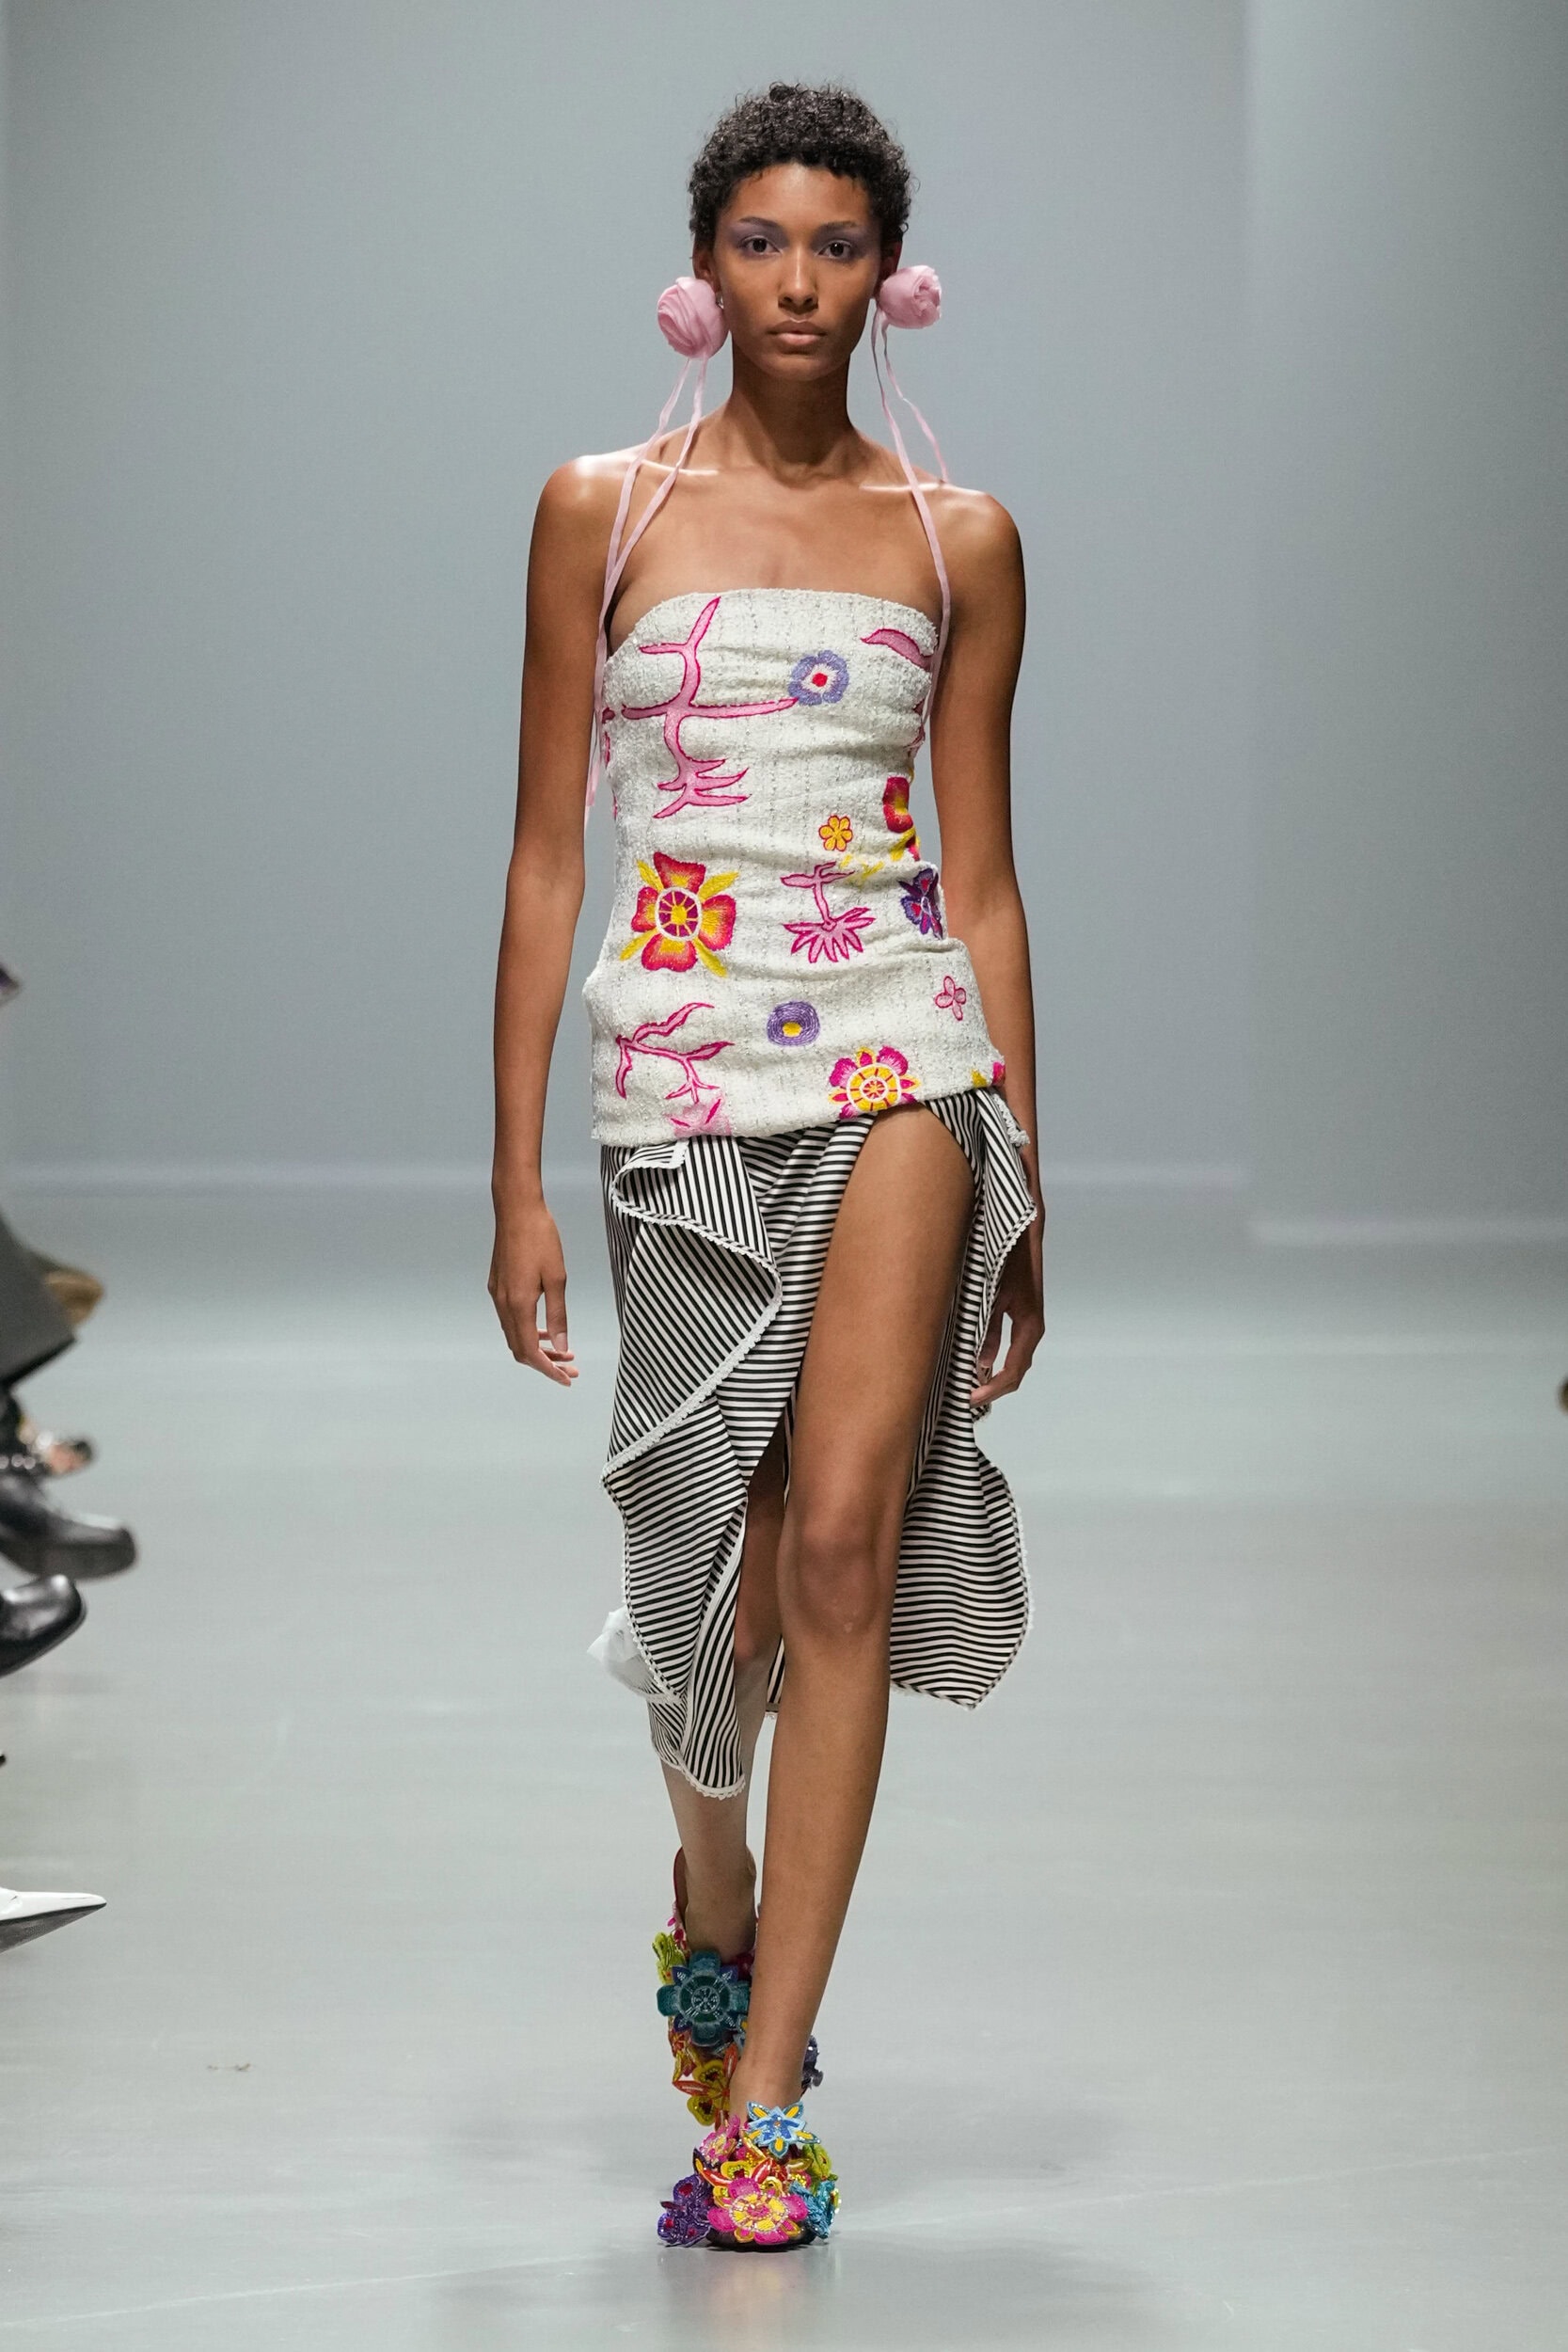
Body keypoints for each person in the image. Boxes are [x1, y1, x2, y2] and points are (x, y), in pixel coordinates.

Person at [489, 82, 1044, 2250]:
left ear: (887, 269)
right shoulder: (600, 513)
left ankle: (769, 2083)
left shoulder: (959, 535)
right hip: (677, 1069)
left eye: (835, 244)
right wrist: (515, 1176)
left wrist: (1028, 1167)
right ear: (703, 264)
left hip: (906, 1053)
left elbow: (982, 878)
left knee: (837, 1544)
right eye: (760, 241)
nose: (797, 283)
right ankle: (710, 1882)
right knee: (696, 1567)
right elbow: (549, 854)